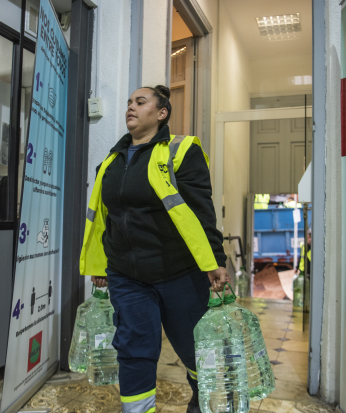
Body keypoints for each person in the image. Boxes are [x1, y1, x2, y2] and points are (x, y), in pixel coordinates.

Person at [80, 85, 229, 413]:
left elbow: (201, 210)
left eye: (140, 102)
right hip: (127, 276)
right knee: (134, 350)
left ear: (161, 114)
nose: (130, 106)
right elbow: (106, 218)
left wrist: (215, 259)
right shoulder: (112, 161)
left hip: (179, 273)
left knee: (193, 352)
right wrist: (101, 265)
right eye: (129, 102)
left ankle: (202, 407)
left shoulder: (182, 151)